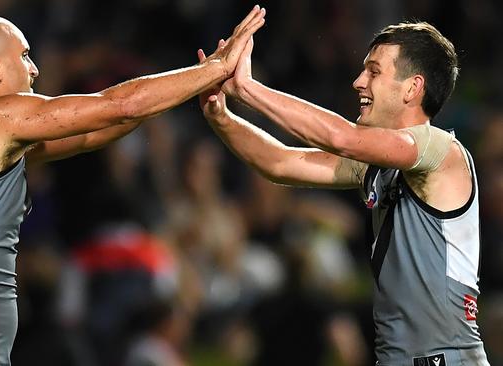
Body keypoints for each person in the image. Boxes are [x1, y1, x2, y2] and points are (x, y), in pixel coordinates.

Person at [0, 6, 266, 366]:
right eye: (25, 56)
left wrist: (186, 88)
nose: (34, 70)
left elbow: (96, 130)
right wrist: (216, 68)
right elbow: (116, 105)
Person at [198, 22, 490, 365]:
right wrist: (221, 117)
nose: (358, 82)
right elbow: (279, 163)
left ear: (412, 88)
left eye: (374, 71)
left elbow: (342, 138)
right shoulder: (378, 166)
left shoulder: (441, 150)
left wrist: (247, 89)